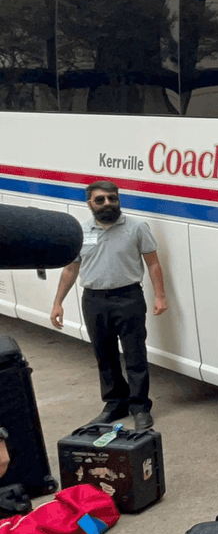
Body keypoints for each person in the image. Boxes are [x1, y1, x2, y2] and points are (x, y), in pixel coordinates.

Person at [50, 181, 168, 430]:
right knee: (105, 356)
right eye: (100, 199)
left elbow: (153, 263)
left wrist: (160, 295)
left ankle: (139, 407)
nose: (107, 203)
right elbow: (71, 268)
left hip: (129, 298)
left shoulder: (137, 228)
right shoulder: (80, 232)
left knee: (135, 354)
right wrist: (57, 302)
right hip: (94, 300)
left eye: (112, 198)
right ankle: (115, 403)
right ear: (90, 203)